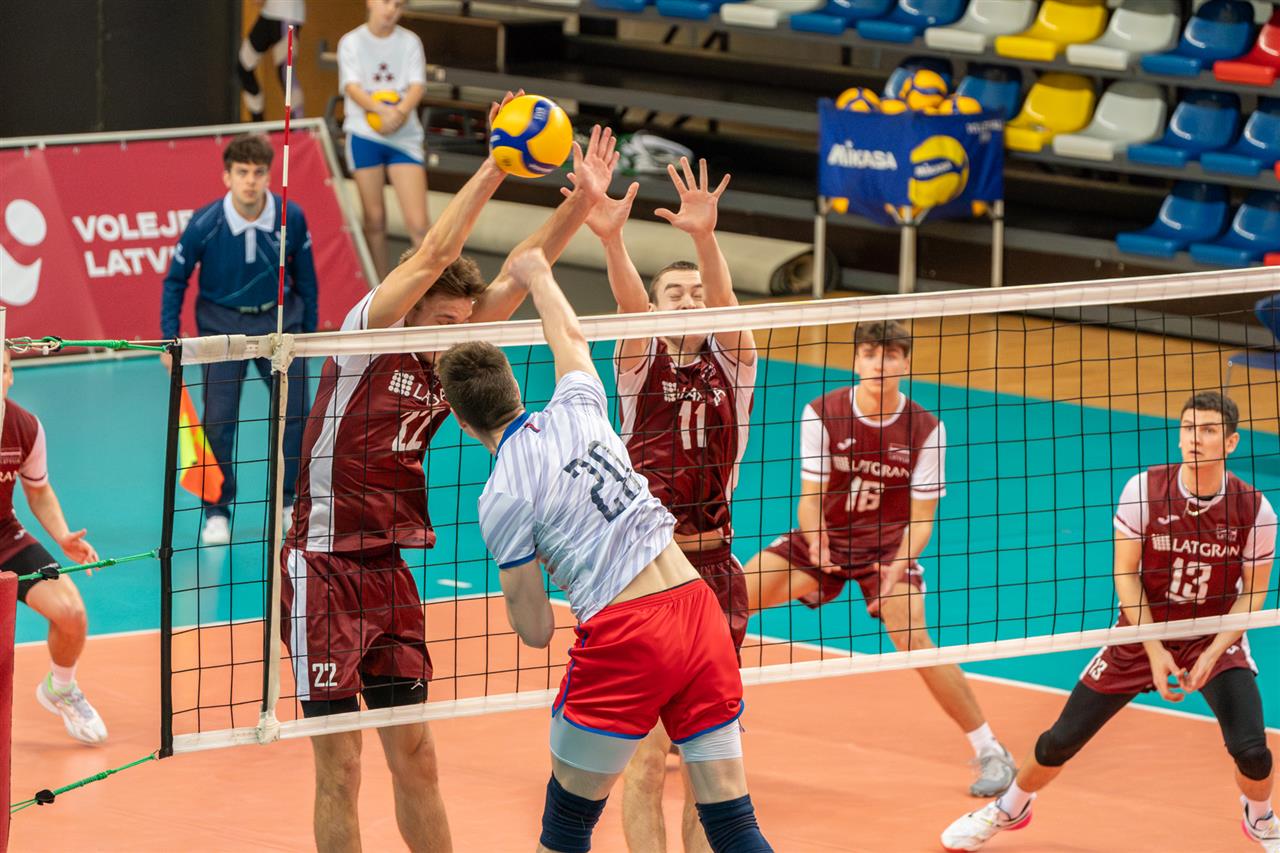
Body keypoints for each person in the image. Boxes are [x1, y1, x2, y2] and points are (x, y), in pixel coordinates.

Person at [279, 108, 620, 851]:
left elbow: (523, 269)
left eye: (465, 323)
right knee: (341, 768)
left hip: (389, 568)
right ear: (413, 312)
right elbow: (435, 252)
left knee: (419, 758)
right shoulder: (369, 335)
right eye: (445, 321)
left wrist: (583, 203)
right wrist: (498, 161)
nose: (457, 338)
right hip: (323, 566)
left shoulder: (450, 358)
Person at [438, 247, 773, 853]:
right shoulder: (580, 404)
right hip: (697, 606)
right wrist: (538, 273)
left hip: (628, 635)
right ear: (515, 385)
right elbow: (568, 334)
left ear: (463, 424)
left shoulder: (502, 494)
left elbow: (537, 629)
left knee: (566, 828)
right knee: (734, 823)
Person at [941, 391, 1280, 852]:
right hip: (1142, 633)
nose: (1194, 439)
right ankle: (1010, 807)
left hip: (1213, 635)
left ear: (1232, 441)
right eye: (1188, 428)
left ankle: (1260, 818)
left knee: (1253, 752)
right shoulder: (1145, 489)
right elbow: (1126, 573)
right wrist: (1154, 649)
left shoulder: (1255, 509)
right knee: (1060, 740)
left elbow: (1254, 595)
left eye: (1207, 430)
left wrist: (1214, 652)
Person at [743, 320, 1016, 797]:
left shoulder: (927, 429)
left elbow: (922, 519)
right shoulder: (822, 412)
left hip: (888, 548)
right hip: (825, 537)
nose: (879, 364)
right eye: (869, 354)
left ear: (905, 363)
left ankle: (991, 749)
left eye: (890, 355)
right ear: (856, 360)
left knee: (914, 636)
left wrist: (899, 563)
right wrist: (818, 541)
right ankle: (695, 724)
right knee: (726, 602)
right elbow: (810, 499)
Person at [575, 158, 756, 851]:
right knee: (647, 759)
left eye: (694, 292)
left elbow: (726, 304)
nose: (686, 301)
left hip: (714, 575)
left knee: (714, 766)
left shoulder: (735, 363)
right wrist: (611, 239)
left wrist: (706, 240)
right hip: (645, 575)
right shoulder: (637, 361)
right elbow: (629, 307)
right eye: (673, 294)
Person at [160, 132, 317, 546]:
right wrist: (169, 339)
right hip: (221, 331)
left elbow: (307, 279)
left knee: (297, 416)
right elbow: (175, 281)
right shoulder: (205, 223)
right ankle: (216, 510)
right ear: (227, 176)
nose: (250, 181)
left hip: (279, 327)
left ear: (269, 175)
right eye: (242, 172)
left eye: (259, 172)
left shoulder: (291, 217)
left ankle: (290, 503)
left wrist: (310, 334)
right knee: (219, 422)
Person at [0, 352, 106, 744]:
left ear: (10, 376)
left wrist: (61, 535)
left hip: (4, 536)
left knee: (71, 613)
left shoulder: (25, 427)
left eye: (3, 368)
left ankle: (60, 688)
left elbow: (38, 490)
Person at [338, 0, 430, 278]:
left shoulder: (410, 41)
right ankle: (379, 288)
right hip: (365, 135)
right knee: (374, 220)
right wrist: (380, 111)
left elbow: (417, 86)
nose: (390, 10)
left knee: (420, 225)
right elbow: (352, 87)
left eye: (398, 5)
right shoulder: (351, 42)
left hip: (403, 137)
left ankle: (428, 288)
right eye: (386, 2)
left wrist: (398, 113)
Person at [237, 0, 306, 122]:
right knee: (244, 67)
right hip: (268, 13)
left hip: (287, 15)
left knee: (286, 74)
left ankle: (298, 125)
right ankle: (258, 124)